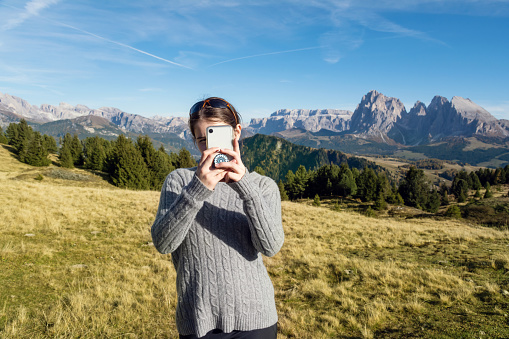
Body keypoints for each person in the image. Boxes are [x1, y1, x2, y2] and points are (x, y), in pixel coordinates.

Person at [151, 97, 285, 339]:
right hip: (198, 320)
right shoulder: (179, 181)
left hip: (256, 320)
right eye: (203, 140)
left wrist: (245, 186)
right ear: (194, 140)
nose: (211, 148)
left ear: (237, 133)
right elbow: (163, 244)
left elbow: (271, 247)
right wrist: (198, 188)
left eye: (216, 138)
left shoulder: (263, 186)